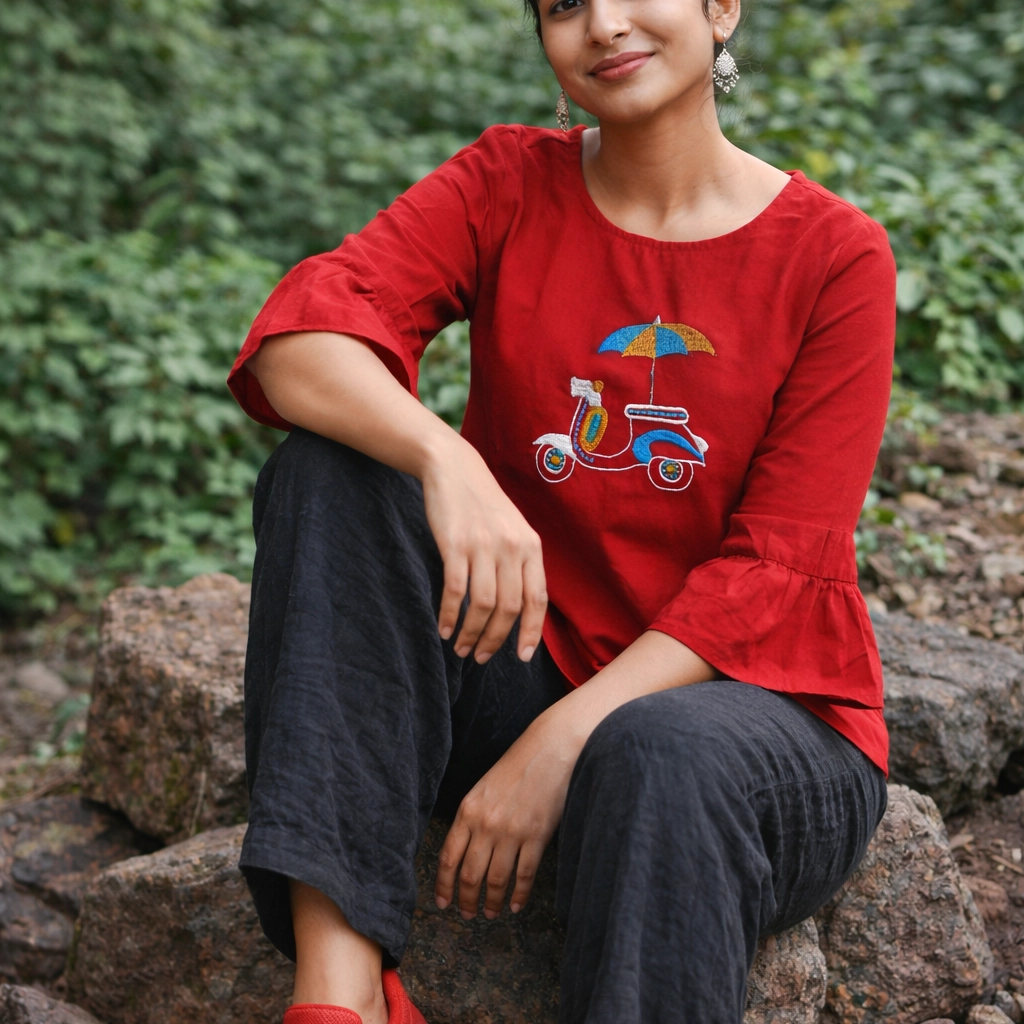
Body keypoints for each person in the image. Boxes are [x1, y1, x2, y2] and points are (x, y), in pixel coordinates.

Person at [227, 0, 896, 1021]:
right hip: (520, 661)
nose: (604, 25)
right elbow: (300, 336)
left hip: (751, 720)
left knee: (658, 748)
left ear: (722, 7)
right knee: (333, 470)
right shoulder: (506, 183)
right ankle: (342, 989)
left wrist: (564, 741)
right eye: (563, 5)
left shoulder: (834, 256)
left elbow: (778, 573)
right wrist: (442, 455)